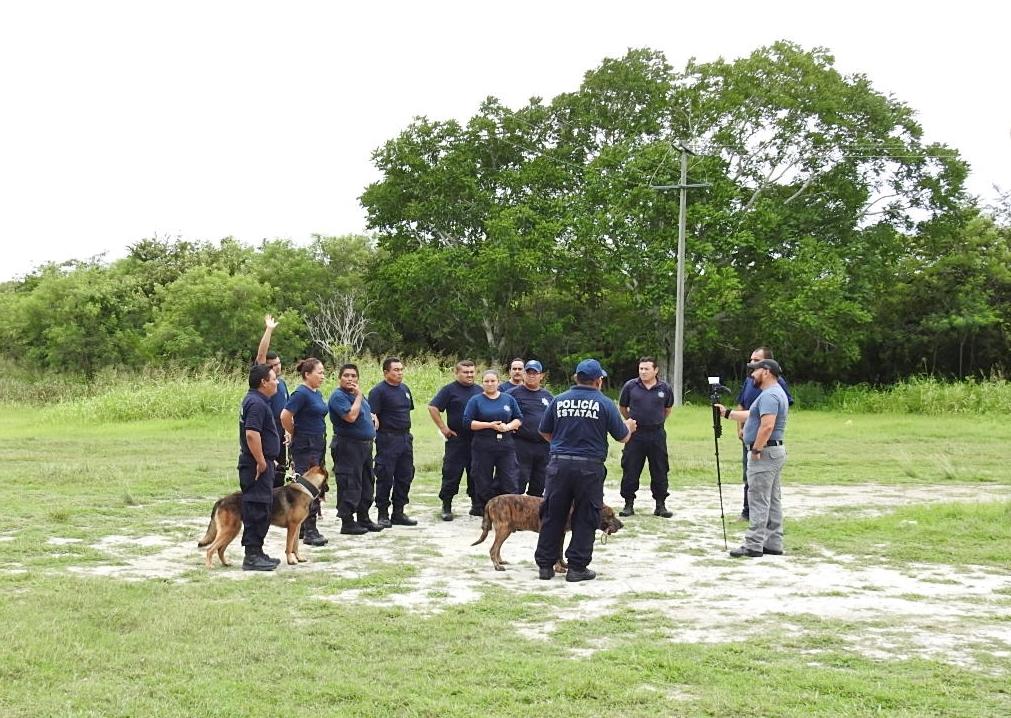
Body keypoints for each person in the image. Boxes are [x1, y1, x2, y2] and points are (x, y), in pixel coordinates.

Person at [534, 359, 636, 582]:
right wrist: (629, 426)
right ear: (598, 380)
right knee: (586, 515)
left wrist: (562, 444)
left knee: (553, 513)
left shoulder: (558, 400)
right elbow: (623, 437)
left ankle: (545, 565)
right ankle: (577, 567)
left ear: (575, 378)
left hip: (559, 464)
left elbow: (544, 431)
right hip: (589, 467)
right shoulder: (605, 403)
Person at [716, 358, 789, 558]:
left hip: (764, 453)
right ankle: (773, 542)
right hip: (773, 452)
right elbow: (753, 415)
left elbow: (767, 426)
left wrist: (756, 450)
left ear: (766, 372)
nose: (751, 375)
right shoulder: (773, 393)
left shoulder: (769, 395)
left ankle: (754, 544)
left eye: (754, 371)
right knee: (772, 499)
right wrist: (728, 414)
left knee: (757, 499)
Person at [734, 347, 794, 521]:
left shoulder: (775, 388)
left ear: (767, 371)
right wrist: (738, 426)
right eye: (751, 360)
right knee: (749, 475)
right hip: (750, 436)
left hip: (764, 443)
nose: (752, 366)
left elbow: (772, 419)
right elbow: (743, 406)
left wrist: (757, 448)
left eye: (756, 361)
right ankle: (748, 511)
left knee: (761, 483)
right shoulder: (750, 381)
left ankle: (757, 527)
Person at [328, 363, 383, 535]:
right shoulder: (339, 396)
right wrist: (359, 397)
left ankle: (363, 517)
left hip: (364, 446)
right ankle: (347, 521)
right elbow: (351, 416)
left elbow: (364, 413)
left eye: (353, 376)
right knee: (349, 482)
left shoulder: (358, 396)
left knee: (367, 481)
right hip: (347, 445)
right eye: (346, 375)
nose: (350, 379)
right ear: (340, 378)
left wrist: (372, 420)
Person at [617, 357, 675, 518]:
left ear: (655, 370)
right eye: (641, 369)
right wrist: (631, 421)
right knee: (631, 468)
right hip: (635, 434)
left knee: (660, 468)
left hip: (656, 434)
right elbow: (622, 406)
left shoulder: (665, 388)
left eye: (646, 369)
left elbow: (667, 408)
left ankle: (660, 504)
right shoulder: (630, 386)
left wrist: (657, 421)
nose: (643, 372)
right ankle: (628, 504)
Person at [280, 357, 329, 546]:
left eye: (323, 372)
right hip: (305, 445)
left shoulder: (315, 393)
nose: (322, 376)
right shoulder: (300, 393)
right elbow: (285, 415)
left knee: (317, 483)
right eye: (319, 372)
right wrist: (294, 432)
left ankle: (303, 526)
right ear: (307, 374)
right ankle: (310, 529)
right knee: (309, 485)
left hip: (318, 442)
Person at [237, 363, 281, 571]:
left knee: (263, 507)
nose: (277, 382)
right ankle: (251, 555)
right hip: (255, 465)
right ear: (264, 382)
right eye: (274, 379)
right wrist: (262, 461)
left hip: (261, 462)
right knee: (256, 507)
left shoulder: (257, 400)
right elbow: (251, 434)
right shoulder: (256, 403)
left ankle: (258, 551)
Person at [428, 360, 482, 521]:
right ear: (456, 372)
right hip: (456, 439)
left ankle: (476, 505)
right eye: (465, 372)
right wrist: (443, 428)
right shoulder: (449, 390)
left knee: (476, 473)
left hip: (477, 440)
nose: (469, 375)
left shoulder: (480, 390)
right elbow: (433, 407)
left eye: (472, 372)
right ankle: (446, 506)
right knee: (452, 472)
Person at [463, 370, 523, 515]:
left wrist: (508, 427)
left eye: (493, 381)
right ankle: (487, 512)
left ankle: (511, 513)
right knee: (482, 479)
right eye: (486, 381)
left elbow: (519, 418)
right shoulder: (475, 400)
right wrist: (489, 425)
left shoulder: (508, 399)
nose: (490, 384)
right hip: (483, 445)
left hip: (506, 445)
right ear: (482, 383)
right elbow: (467, 422)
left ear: (498, 382)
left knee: (510, 479)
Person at [368, 357, 417, 528]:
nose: (400, 373)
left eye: (401, 369)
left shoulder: (405, 389)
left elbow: (407, 410)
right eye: (396, 370)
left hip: (405, 438)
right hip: (387, 438)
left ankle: (399, 511)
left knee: (405, 475)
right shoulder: (378, 391)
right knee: (385, 475)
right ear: (386, 372)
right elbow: (372, 416)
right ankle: (383, 513)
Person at [508, 360, 553, 496]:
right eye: (528, 372)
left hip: (544, 445)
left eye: (535, 373)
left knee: (540, 482)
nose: (531, 375)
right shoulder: (512, 394)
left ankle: (533, 514)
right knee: (518, 481)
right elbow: (503, 413)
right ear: (524, 374)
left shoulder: (548, 396)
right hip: (521, 443)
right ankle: (514, 513)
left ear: (541, 376)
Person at [255, 314, 289, 487]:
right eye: (273, 365)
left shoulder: (282, 384)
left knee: (280, 476)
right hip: (267, 431)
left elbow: (288, 411)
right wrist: (269, 330)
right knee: (267, 476)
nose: (278, 367)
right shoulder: (263, 381)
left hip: (281, 435)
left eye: (279, 363)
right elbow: (261, 355)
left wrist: (289, 431)